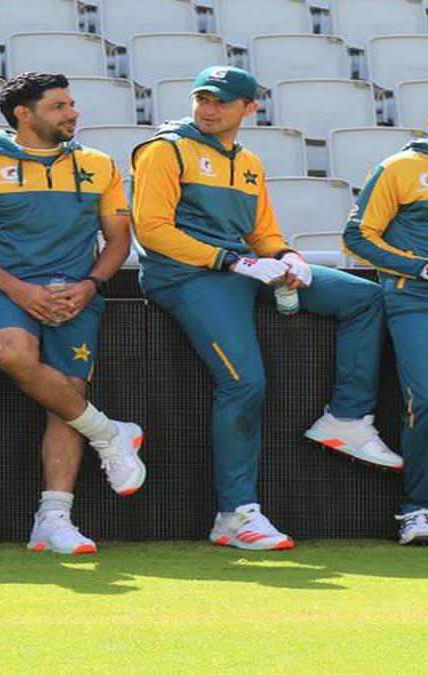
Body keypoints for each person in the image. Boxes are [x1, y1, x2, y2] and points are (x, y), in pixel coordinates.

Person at [132, 65, 399, 551]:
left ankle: (347, 417)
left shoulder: (248, 161)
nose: (208, 109)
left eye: (220, 101)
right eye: (201, 99)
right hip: (186, 276)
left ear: (248, 108)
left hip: (241, 267)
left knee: (365, 297)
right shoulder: (163, 149)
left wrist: (286, 257)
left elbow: (263, 233)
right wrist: (231, 259)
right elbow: (151, 230)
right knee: (243, 382)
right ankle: (234, 516)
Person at [0, 72, 144, 555]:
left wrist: (90, 285)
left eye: (72, 104)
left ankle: (53, 519)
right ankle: (108, 433)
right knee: (13, 354)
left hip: (76, 292)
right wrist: (18, 290)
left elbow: (119, 240)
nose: (72, 113)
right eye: (59, 106)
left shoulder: (99, 165)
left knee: (67, 392)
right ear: (24, 115)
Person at [342, 137, 428, 545]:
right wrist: (420, 267)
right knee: (425, 397)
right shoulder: (399, 167)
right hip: (414, 298)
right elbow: (357, 237)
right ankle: (418, 509)